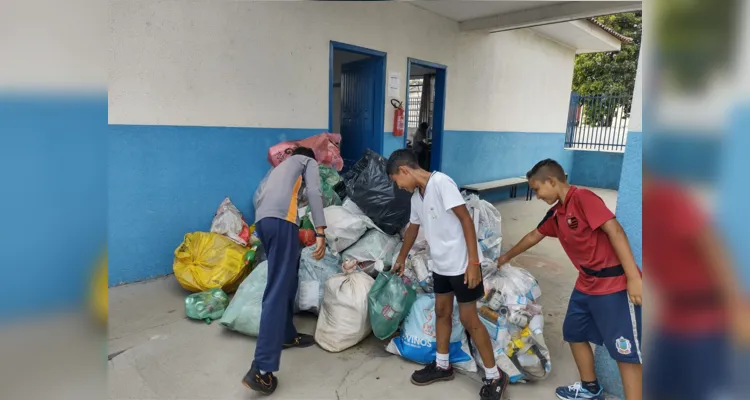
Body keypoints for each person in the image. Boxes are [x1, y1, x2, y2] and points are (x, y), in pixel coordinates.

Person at [496, 159, 642, 400]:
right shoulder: (556, 213)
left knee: (623, 350)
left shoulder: (583, 198)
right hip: (585, 284)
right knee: (574, 332)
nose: (537, 195)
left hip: (612, 285)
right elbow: (534, 235)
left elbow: (614, 230)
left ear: (552, 181)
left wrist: (633, 278)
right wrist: (505, 257)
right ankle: (590, 388)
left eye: (537, 189)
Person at [387, 149, 509, 400]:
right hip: (440, 265)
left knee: (469, 320)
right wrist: (401, 258)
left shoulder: (441, 183)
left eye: (396, 181)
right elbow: (412, 229)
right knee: (441, 312)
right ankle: (442, 365)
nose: (398, 187)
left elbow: (465, 220)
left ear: (404, 170)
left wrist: (473, 262)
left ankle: (495, 375)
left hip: (463, 265)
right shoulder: (417, 198)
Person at [643, 169, 749, 399]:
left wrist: (738, 309)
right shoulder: (644, 210)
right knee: (658, 389)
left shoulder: (668, 200)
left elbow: (714, 247)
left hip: (705, 323)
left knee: (697, 390)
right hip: (672, 321)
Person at [242, 147, 327, 395]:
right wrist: (320, 231)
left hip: (266, 222)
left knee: (288, 279)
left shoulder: (279, 169)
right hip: (280, 223)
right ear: (308, 157)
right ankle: (261, 369)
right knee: (277, 291)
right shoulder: (306, 162)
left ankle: (287, 334)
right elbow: (314, 191)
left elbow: (264, 199)